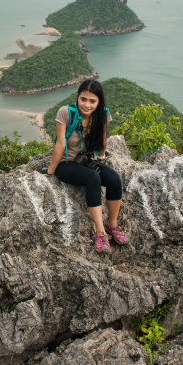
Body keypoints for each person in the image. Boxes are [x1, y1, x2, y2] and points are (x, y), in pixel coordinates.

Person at [45, 79, 129, 253]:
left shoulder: (103, 115)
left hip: (86, 160)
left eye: (93, 101)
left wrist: (102, 157)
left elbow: (103, 139)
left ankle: (111, 224)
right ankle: (100, 232)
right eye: (83, 99)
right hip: (66, 163)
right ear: (77, 97)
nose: (87, 105)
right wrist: (50, 171)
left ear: (99, 102)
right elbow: (60, 145)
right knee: (93, 178)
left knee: (113, 178)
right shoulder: (65, 113)